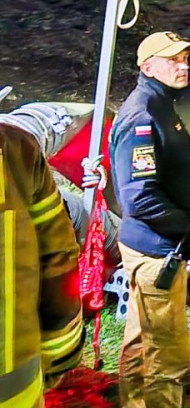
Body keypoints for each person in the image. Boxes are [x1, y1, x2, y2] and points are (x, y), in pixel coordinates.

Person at [111, 32, 190, 408]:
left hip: (149, 247)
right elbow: (138, 197)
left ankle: (133, 402)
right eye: (173, 60)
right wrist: (185, 228)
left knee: (140, 336)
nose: (183, 65)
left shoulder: (159, 103)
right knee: (168, 355)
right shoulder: (143, 116)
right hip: (156, 252)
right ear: (147, 67)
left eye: (185, 58)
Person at [0, 100, 86, 407]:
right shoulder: (15, 147)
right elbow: (59, 259)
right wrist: (59, 359)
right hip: (18, 389)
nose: (183, 66)